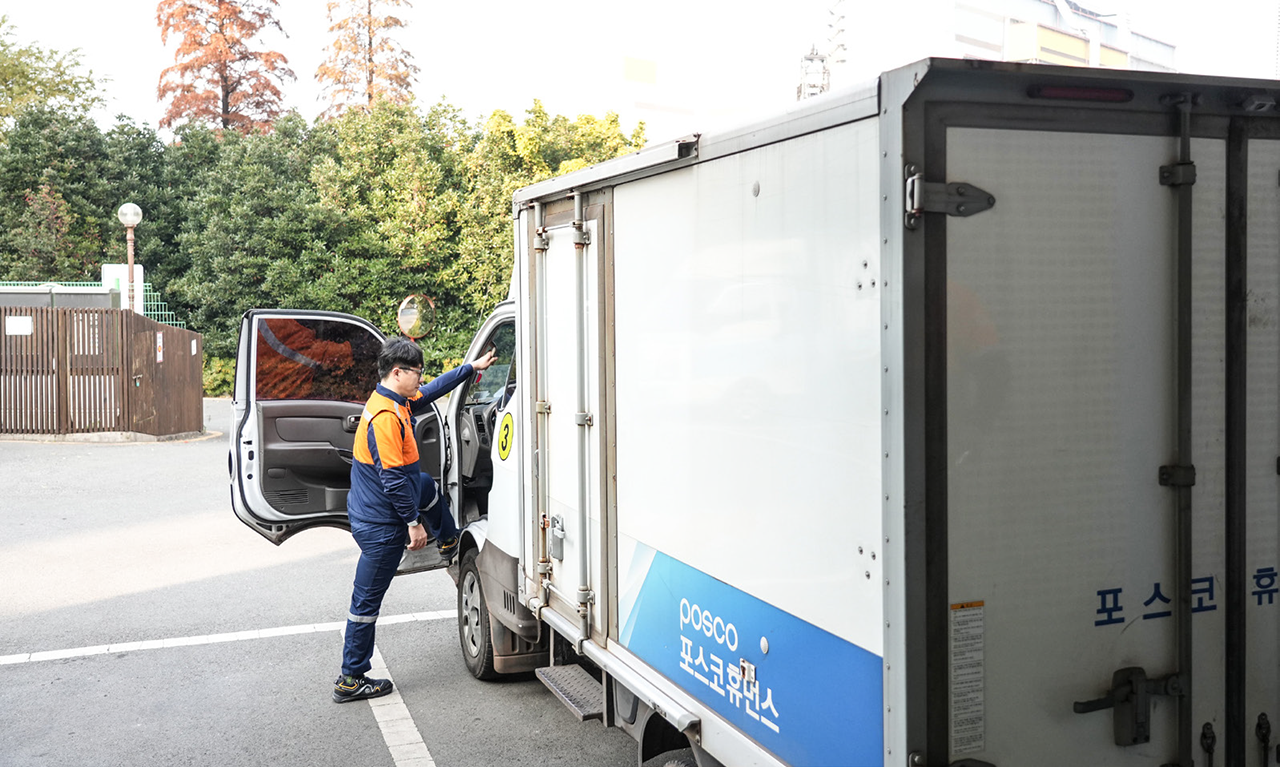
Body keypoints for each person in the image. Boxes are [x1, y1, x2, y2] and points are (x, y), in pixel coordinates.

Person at [333, 336, 497, 703]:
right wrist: (412, 524)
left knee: (425, 484)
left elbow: (433, 390)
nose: (421, 380)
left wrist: (471, 368)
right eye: (417, 374)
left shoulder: (393, 398)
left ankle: (448, 538)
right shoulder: (386, 418)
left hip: (385, 499)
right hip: (380, 525)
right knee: (365, 604)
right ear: (397, 372)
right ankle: (351, 677)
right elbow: (391, 480)